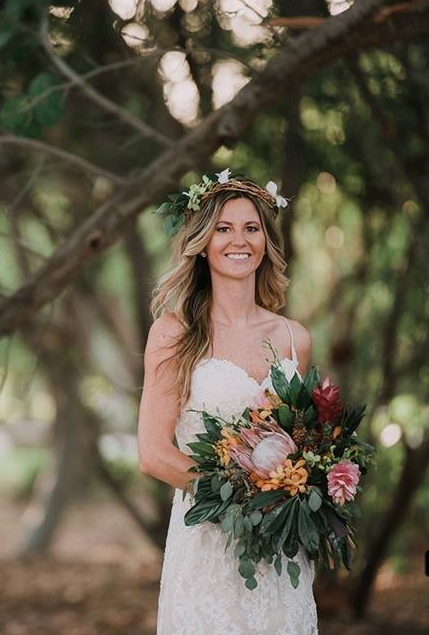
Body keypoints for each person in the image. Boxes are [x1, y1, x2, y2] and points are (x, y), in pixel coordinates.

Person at [137, 171, 319, 634]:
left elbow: (307, 440)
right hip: (207, 548)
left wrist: (305, 485)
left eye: (251, 228)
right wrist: (241, 496)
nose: (239, 241)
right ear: (202, 241)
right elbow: (153, 453)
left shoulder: (295, 339)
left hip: (281, 550)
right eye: (223, 228)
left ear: (266, 241)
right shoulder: (173, 334)